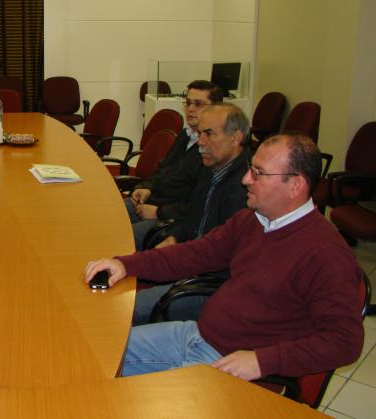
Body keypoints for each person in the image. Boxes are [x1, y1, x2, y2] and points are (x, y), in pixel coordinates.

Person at [85, 133, 363, 386]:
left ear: (295, 186)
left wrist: (262, 361)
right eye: (249, 169)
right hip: (196, 336)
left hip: (235, 369)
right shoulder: (253, 220)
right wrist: (125, 264)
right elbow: (195, 254)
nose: (245, 180)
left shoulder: (326, 255)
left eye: (258, 173)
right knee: (90, 353)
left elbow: (345, 342)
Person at [132, 104, 251, 324]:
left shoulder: (246, 189)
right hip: (188, 258)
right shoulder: (211, 168)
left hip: (210, 282)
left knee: (129, 308)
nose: (200, 142)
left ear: (235, 138)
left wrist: (174, 260)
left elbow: (224, 258)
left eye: (209, 134)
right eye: (199, 134)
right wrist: (173, 237)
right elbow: (190, 216)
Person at [126, 80, 224, 250]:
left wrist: (158, 211)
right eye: (188, 103)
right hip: (153, 201)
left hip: (171, 218)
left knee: (120, 238)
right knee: (103, 215)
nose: (191, 109)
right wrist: (147, 186)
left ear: (216, 109)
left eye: (198, 104)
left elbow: (198, 204)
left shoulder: (213, 151)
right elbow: (163, 170)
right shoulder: (186, 135)